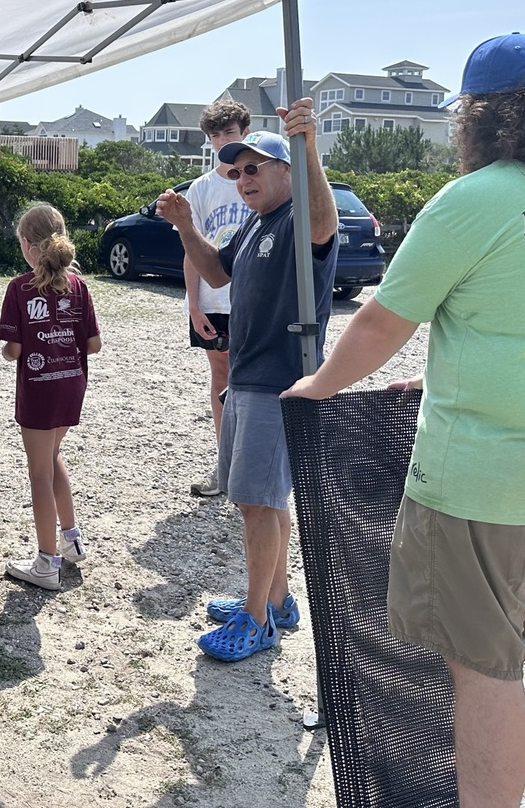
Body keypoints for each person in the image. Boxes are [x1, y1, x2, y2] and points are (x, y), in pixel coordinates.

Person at [284, 34, 525, 808]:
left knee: (485, 670)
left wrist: (316, 384)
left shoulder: (474, 199)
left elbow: (382, 321)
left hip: (491, 488)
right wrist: (455, 369)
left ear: (480, 117)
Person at [157, 98, 337, 663]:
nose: (242, 178)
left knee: (258, 504)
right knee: (261, 500)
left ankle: (258, 620)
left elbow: (323, 220)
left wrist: (307, 145)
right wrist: (186, 226)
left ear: (287, 171)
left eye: (254, 167)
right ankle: (276, 599)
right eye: (236, 170)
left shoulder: (299, 219)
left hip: (278, 379)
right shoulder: (258, 224)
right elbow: (216, 270)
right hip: (246, 373)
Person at [0, 203, 101, 590]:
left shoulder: (19, 288)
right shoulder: (79, 286)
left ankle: (45, 562)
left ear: (27, 245)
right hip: (71, 385)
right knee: (53, 457)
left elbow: (14, 350)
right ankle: (71, 538)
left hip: (39, 389)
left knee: (38, 472)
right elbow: (93, 344)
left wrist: (18, 347)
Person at [182, 100, 254, 498]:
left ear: (244, 132)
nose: (221, 141)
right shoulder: (202, 188)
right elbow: (191, 248)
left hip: (255, 299)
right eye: (215, 136)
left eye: (228, 133)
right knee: (221, 377)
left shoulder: (261, 180)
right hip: (213, 299)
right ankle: (224, 463)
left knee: (256, 380)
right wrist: (193, 304)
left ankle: (252, 463)